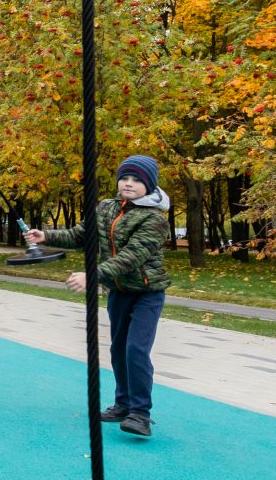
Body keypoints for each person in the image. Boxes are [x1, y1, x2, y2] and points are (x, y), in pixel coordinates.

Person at [24, 154, 172, 438]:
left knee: (136, 350)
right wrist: (46, 236)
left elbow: (132, 256)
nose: (128, 184)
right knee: (118, 349)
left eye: (136, 180)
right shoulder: (107, 207)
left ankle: (140, 414)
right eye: (124, 178)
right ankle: (123, 404)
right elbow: (82, 235)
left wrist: (93, 275)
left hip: (147, 294)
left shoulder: (155, 219)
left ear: (149, 185)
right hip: (119, 291)